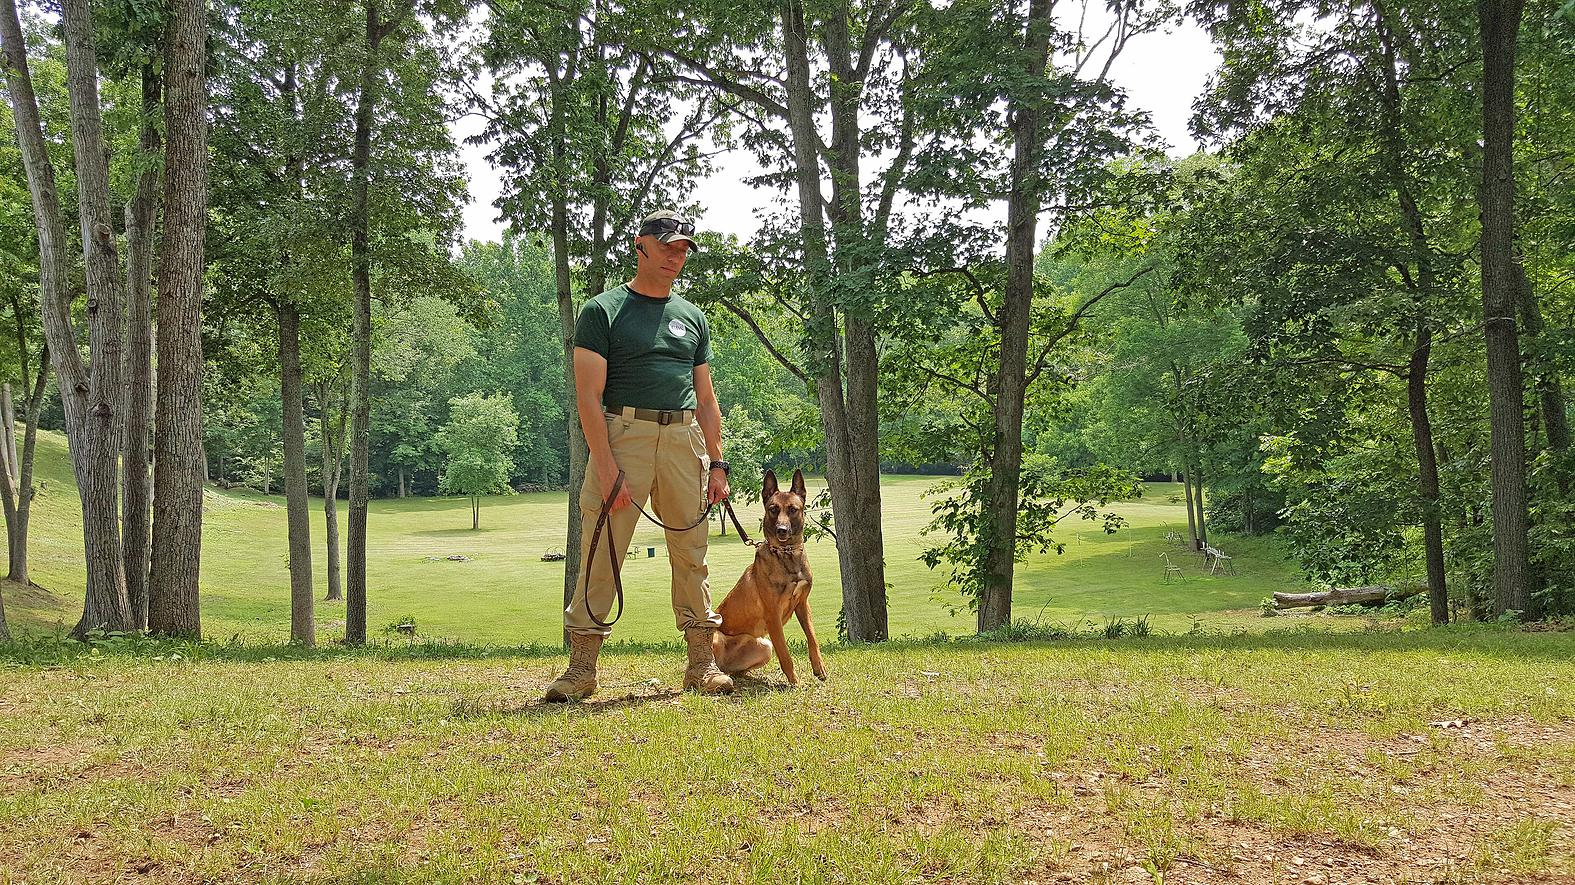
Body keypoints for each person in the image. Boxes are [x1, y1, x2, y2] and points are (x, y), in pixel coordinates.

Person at [544, 210, 735, 701]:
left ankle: (702, 665)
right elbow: (588, 398)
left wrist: (717, 462)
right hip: (622, 435)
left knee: (692, 554)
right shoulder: (602, 311)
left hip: (683, 440)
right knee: (602, 551)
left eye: (683, 249)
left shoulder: (692, 317)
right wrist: (608, 469)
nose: (677, 256)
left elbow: (707, 398)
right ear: (641, 246)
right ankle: (581, 671)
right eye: (668, 246)